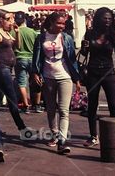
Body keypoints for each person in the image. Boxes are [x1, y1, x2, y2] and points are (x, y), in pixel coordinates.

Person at [31, 11, 81, 155]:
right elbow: (37, 57)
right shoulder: (41, 38)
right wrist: (35, 72)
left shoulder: (67, 38)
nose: (62, 26)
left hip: (65, 76)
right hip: (48, 77)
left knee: (64, 110)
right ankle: (54, 134)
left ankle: (62, 141)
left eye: (63, 23)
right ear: (51, 23)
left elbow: (72, 59)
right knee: (51, 109)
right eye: (59, 23)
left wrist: (76, 78)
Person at [80, 7, 115, 147]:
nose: (107, 21)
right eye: (104, 18)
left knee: (113, 105)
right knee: (92, 105)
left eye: (110, 18)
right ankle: (93, 136)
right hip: (92, 72)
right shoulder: (90, 33)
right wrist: (83, 48)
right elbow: (83, 55)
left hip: (108, 72)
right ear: (98, 18)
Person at [0, 9, 26, 133]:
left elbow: (18, 46)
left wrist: (17, 33)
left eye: (11, 19)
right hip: (1, 68)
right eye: (8, 19)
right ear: (1, 20)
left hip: (9, 68)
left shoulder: (7, 33)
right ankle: (22, 127)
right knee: (12, 97)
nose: (11, 22)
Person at [14, 12, 40, 113]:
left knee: (22, 82)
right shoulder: (32, 32)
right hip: (32, 58)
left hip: (20, 58)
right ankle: (37, 105)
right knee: (36, 81)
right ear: (25, 20)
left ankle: (25, 105)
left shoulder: (14, 31)